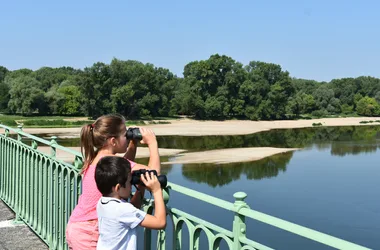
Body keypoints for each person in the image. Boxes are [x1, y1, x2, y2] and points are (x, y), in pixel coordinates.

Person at [65, 114, 160, 250]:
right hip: (90, 231)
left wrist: (133, 144)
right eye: (125, 135)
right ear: (113, 141)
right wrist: (152, 143)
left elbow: (122, 168)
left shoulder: (98, 159)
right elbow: (153, 174)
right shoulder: (107, 162)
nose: (127, 137)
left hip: (78, 226)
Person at [95, 156, 166, 250]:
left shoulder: (102, 202)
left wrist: (141, 187)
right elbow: (160, 222)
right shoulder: (123, 210)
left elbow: (132, 210)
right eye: (129, 182)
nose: (131, 185)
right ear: (118, 188)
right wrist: (156, 191)